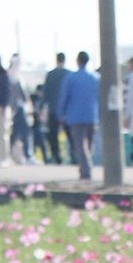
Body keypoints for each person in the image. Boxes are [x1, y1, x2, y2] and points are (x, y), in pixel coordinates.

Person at [58, 51, 101, 180]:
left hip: (75, 116)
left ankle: (85, 168)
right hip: (91, 115)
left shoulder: (71, 78)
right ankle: (86, 167)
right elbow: (99, 98)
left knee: (80, 145)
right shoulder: (95, 78)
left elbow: (64, 96)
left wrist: (61, 113)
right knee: (90, 144)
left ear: (78, 61)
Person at [39, 52, 68, 164]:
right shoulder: (69, 74)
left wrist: (42, 107)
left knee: (53, 135)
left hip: (53, 109)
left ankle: (57, 156)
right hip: (66, 110)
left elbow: (45, 93)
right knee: (70, 135)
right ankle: (74, 155)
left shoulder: (50, 75)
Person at [8, 54, 32, 164]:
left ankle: (8, 153)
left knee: (15, 133)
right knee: (25, 131)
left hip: (13, 109)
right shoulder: (15, 76)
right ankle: (28, 155)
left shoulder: (9, 75)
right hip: (19, 107)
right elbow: (22, 94)